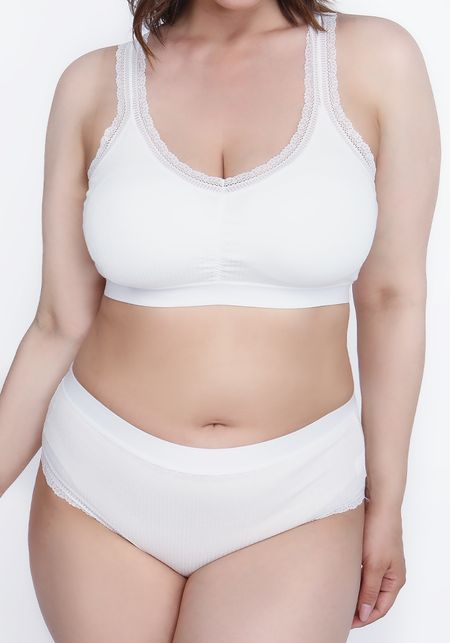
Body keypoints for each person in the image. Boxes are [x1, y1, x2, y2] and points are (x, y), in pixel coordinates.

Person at [0, 0, 440, 641]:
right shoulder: (92, 85)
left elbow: (393, 298)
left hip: (297, 499)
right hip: (98, 487)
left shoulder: (376, 61)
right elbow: (56, 323)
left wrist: (388, 503)